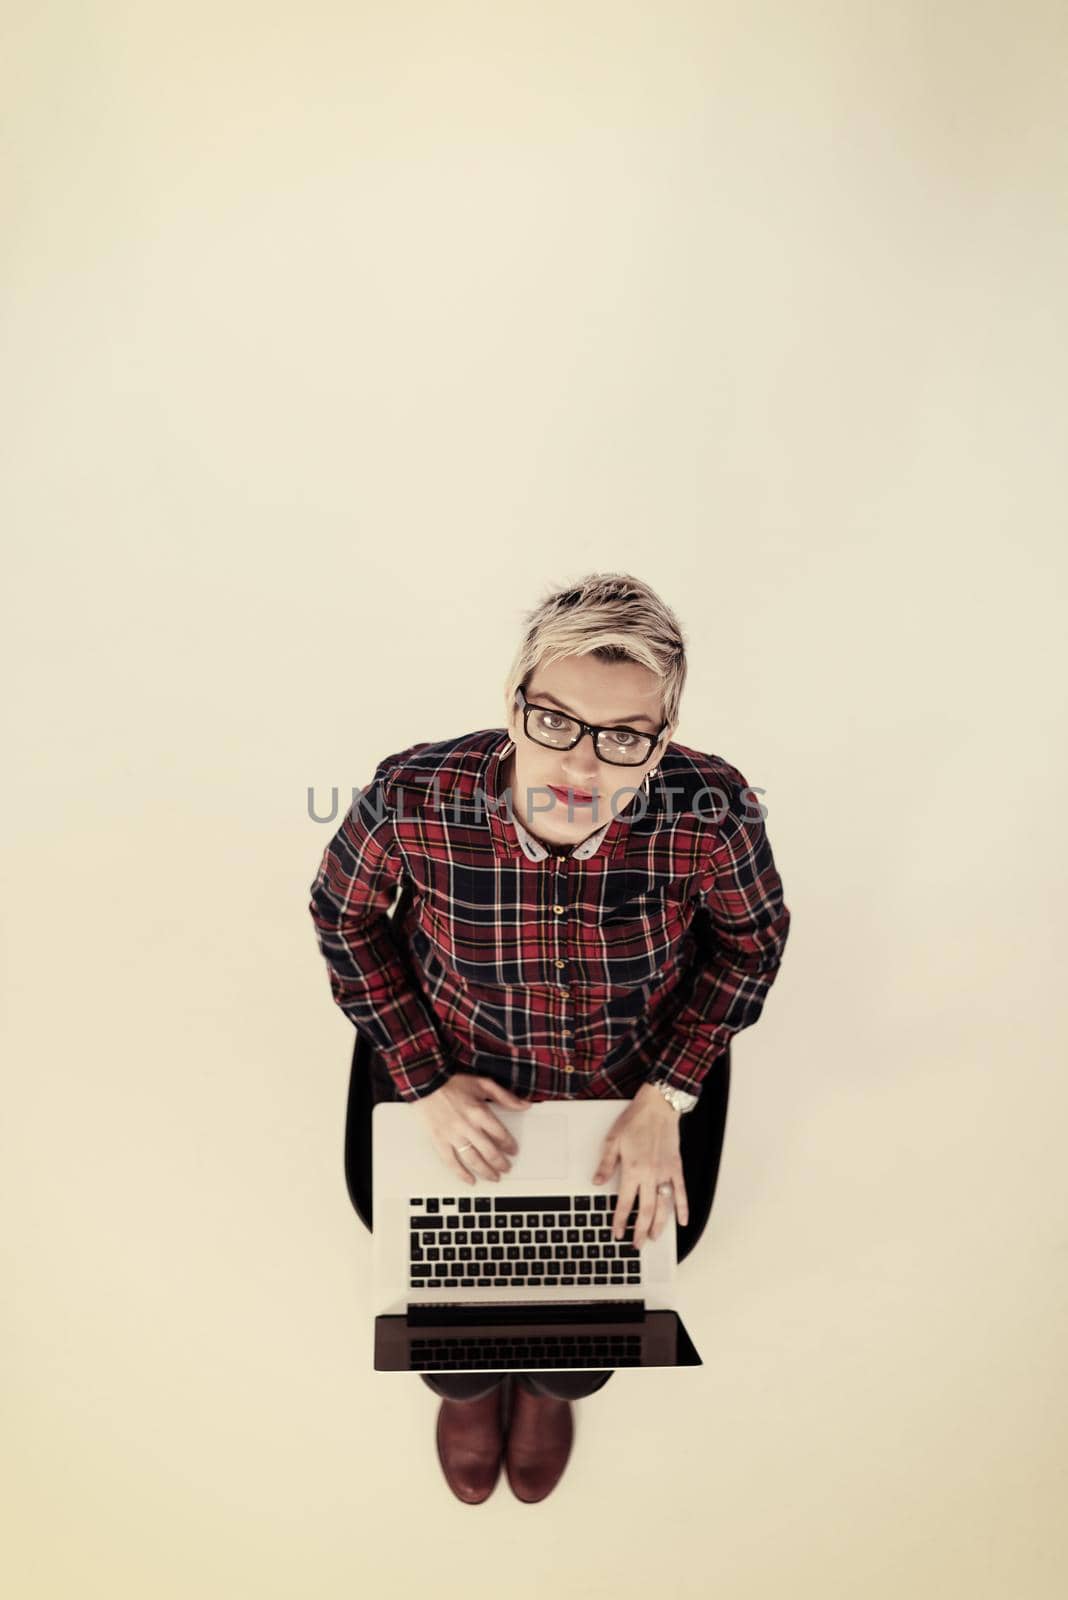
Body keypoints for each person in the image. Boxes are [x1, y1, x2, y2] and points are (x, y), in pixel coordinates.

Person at [308, 571, 791, 1504]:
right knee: (438, 1318)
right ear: (513, 704)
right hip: (454, 1076)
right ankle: (470, 1387)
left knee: (595, 1325)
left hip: (635, 1090)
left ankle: (551, 1389)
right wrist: (423, 1076)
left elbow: (751, 945)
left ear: (662, 739)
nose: (580, 765)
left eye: (623, 738)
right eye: (555, 722)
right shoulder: (412, 796)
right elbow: (344, 919)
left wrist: (667, 1097)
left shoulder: (713, 810)